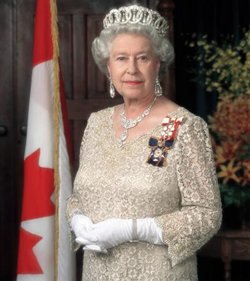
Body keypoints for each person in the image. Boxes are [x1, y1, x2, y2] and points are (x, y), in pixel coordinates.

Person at [66, 4, 222, 281]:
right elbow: (79, 196)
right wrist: (76, 217)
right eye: (122, 58)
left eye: (143, 58)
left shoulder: (179, 127)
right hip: (97, 272)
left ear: (158, 63)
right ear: (108, 66)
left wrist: (135, 230)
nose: (132, 70)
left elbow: (206, 214)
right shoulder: (97, 123)